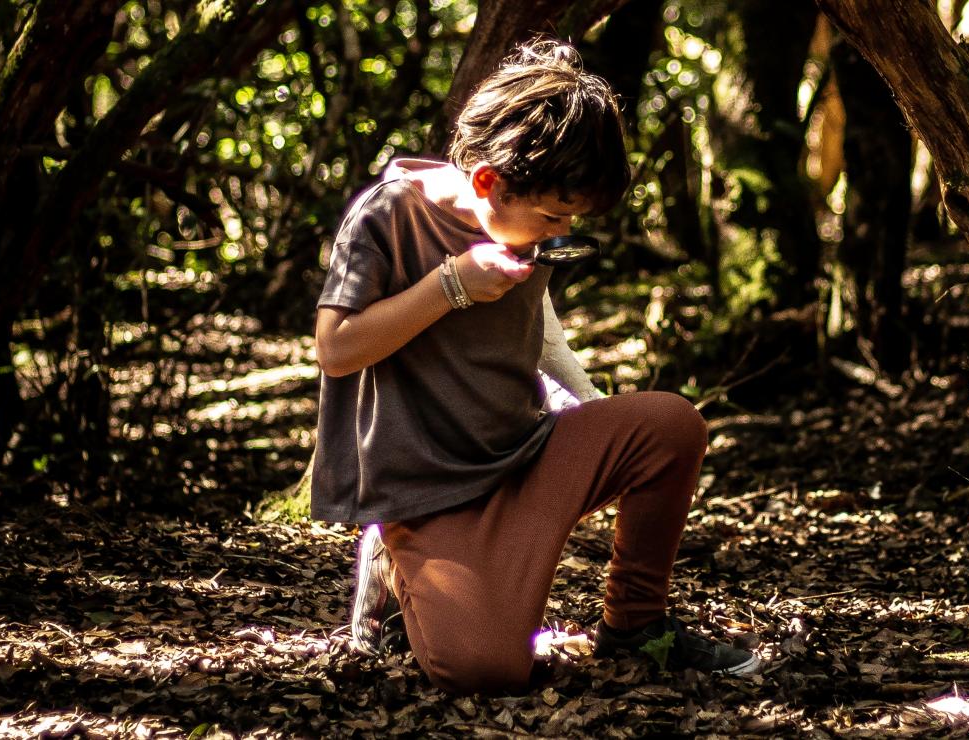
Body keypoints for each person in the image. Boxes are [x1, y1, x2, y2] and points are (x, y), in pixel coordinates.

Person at [310, 38, 760, 695]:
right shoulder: (387, 217)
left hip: (523, 452)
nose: (557, 233)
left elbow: (539, 334)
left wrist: (592, 415)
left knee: (671, 426)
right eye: (551, 217)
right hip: (430, 490)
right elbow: (335, 347)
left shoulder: (525, 227)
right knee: (486, 669)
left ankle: (636, 623)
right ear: (488, 180)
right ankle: (396, 577)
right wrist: (451, 285)